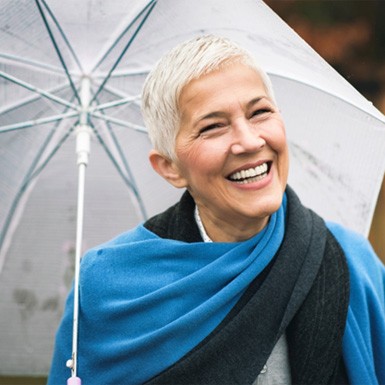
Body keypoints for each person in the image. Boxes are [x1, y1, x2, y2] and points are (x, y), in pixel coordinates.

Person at [48, 35, 385, 385]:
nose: (250, 141)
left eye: (260, 112)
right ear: (170, 167)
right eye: (212, 127)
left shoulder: (349, 260)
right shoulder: (109, 286)